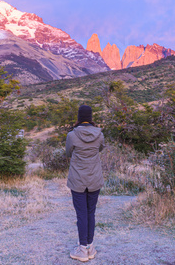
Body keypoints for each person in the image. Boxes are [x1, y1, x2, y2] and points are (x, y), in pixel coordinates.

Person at [66, 105, 105, 262]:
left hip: (77, 179)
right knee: (91, 212)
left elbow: (68, 153)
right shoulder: (99, 135)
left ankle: (82, 250)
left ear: (79, 117)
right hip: (94, 178)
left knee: (81, 213)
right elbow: (100, 149)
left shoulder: (71, 135)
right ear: (90, 117)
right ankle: (89, 246)